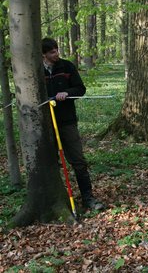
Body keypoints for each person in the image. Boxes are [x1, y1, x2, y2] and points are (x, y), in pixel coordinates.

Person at [42, 37, 104, 211]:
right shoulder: (36, 70)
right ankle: (55, 201)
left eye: (57, 50)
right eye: (52, 52)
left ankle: (88, 198)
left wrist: (66, 93)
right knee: (50, 163)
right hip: (44, 125)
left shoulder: (67, 66)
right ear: (43, 54)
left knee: (78, 161)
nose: (56, 54)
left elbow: (80, 89)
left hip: (67, 122)